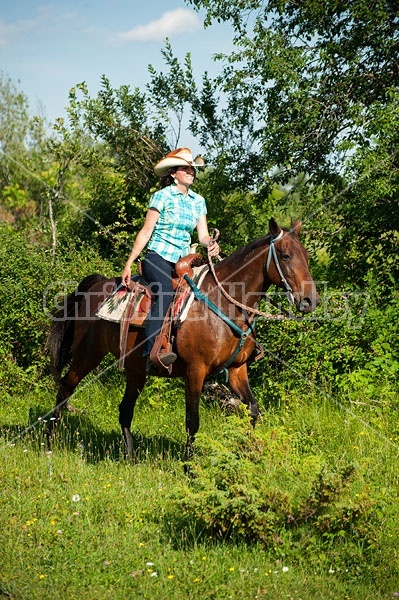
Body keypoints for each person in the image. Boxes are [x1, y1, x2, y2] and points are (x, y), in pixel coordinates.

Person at [121, 147, 220, 372]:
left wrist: (210, 244)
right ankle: (150, 353)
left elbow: (202, 235)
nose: (191, 172)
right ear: (174, 173)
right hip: (158, 256)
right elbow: (146, 231)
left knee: (205, 294)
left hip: (184, 261)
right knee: (165, 291)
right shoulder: (162, 196)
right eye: (186, 169)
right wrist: (129, 263)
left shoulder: (198, 201)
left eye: (193, 170)